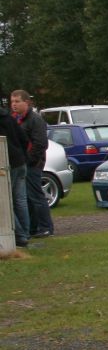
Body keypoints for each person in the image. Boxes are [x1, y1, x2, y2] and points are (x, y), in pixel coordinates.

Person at [9, 89, 54, 238]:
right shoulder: (14, 119)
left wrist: (28, 160)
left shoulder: (35, 119)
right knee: (26, 198)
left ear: (27, 102)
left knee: (36, 195)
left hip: (33, 163)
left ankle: (46, 226)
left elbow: (40, 143)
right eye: (12, 101)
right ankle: (32, 227)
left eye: (17, 101)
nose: (14, 104)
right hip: (20, 163)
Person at [1, 103, 31, 247]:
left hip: (6, 163)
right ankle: (25, 233)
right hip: (20, 161)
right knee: (20, 200)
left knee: (5, 201)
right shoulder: (8, 117)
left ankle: (20, 236)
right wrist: (22, 155)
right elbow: (24, 139)